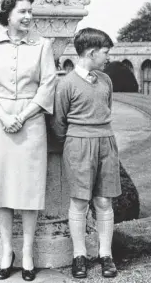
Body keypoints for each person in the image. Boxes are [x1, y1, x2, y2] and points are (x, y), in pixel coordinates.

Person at [0, 0, 56, 281]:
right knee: (1, 189)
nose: (28, 17)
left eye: (30, 12)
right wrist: (3, 115)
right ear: (8, 14)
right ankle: (6, 251)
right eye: (22, 11)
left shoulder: (42, 46)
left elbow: (48, 85)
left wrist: (22, 116)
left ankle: (27, 253)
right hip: (0, 123)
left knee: (28, 189)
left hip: (31, 123)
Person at [52, 28, 120, 279]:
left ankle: (106, 255)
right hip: (78, 145)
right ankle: (78, 255)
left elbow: (106, 109)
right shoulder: (66, 83)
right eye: (105, 53)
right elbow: (59, 122)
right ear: (91, 52)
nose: (107, 58)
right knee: (80, 202)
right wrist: (73, 144)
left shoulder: (106, 80)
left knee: (104, 201)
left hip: (106, 142)